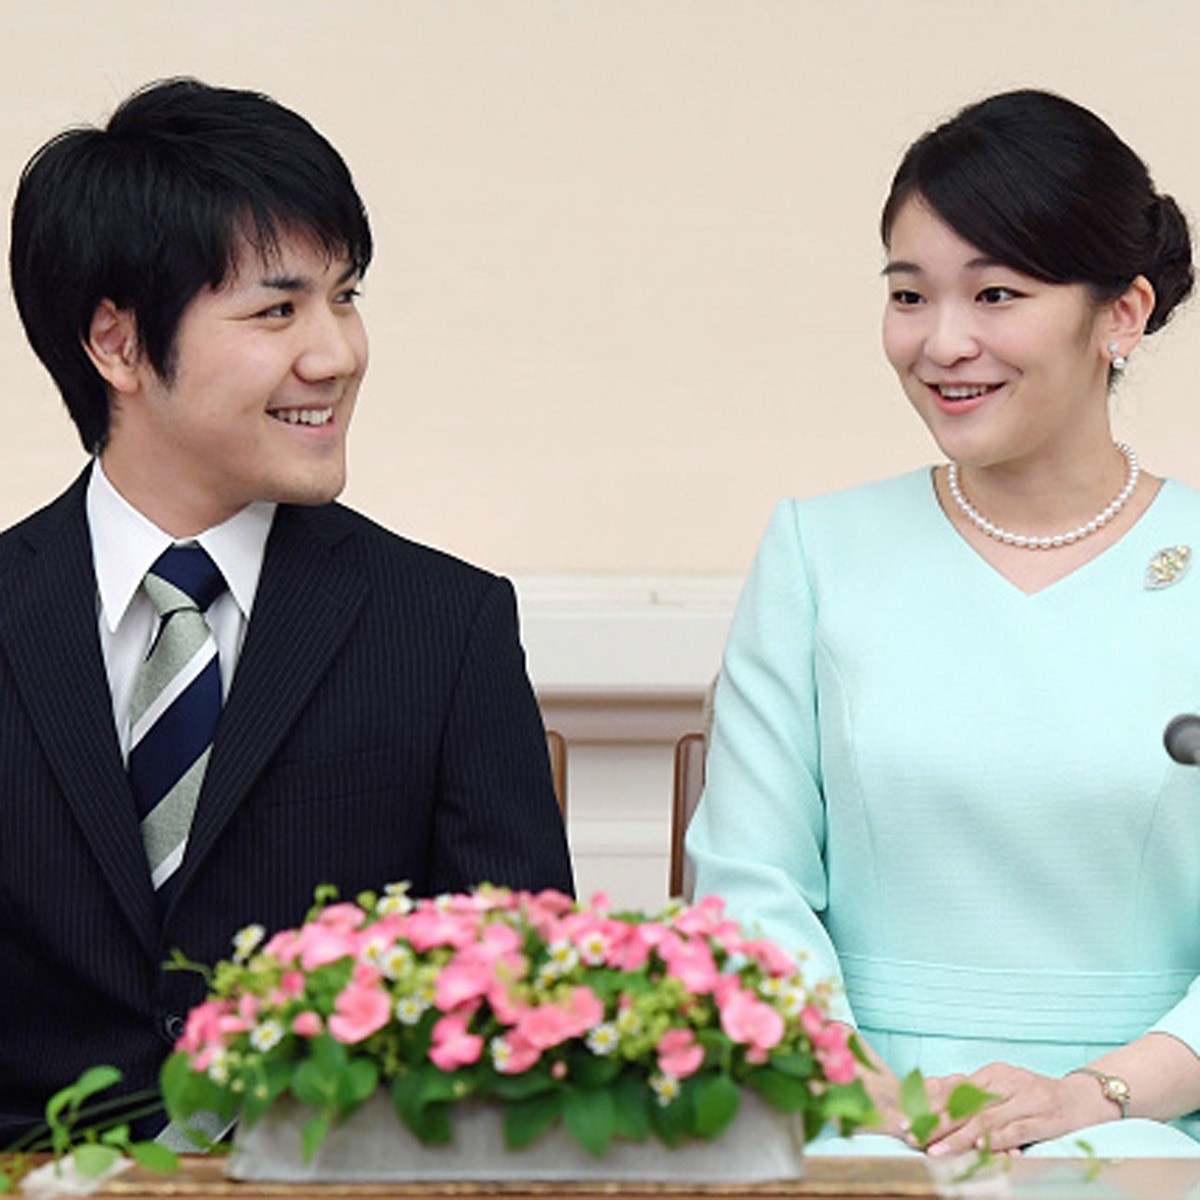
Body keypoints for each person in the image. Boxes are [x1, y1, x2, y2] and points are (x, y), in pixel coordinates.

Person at [0, 78, 573, 1142]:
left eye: (344, 296)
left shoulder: (445, 627)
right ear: (116, 345)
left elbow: (523, 1026)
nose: (337, 353)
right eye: (278, 310)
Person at [687, 89, 1200, 1158]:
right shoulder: (816, 553)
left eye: (997, 293)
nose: (943, 342)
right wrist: (868, 1096)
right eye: (910, 296)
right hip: (858, 1118)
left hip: (1151, 1117)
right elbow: (752, 886)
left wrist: (1097, 1094)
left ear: (1123, 314)